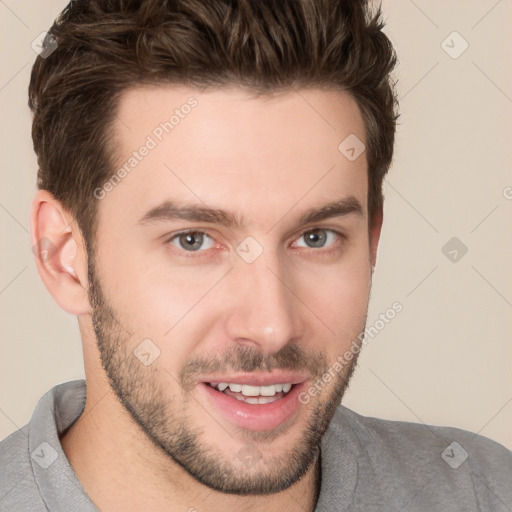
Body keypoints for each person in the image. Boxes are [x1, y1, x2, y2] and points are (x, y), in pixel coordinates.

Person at [1, 0, 511, 511]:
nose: (272, 326)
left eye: (317, 237)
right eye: (193, 240)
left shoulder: (483, 492)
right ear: (64, 256)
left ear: (372, 240)